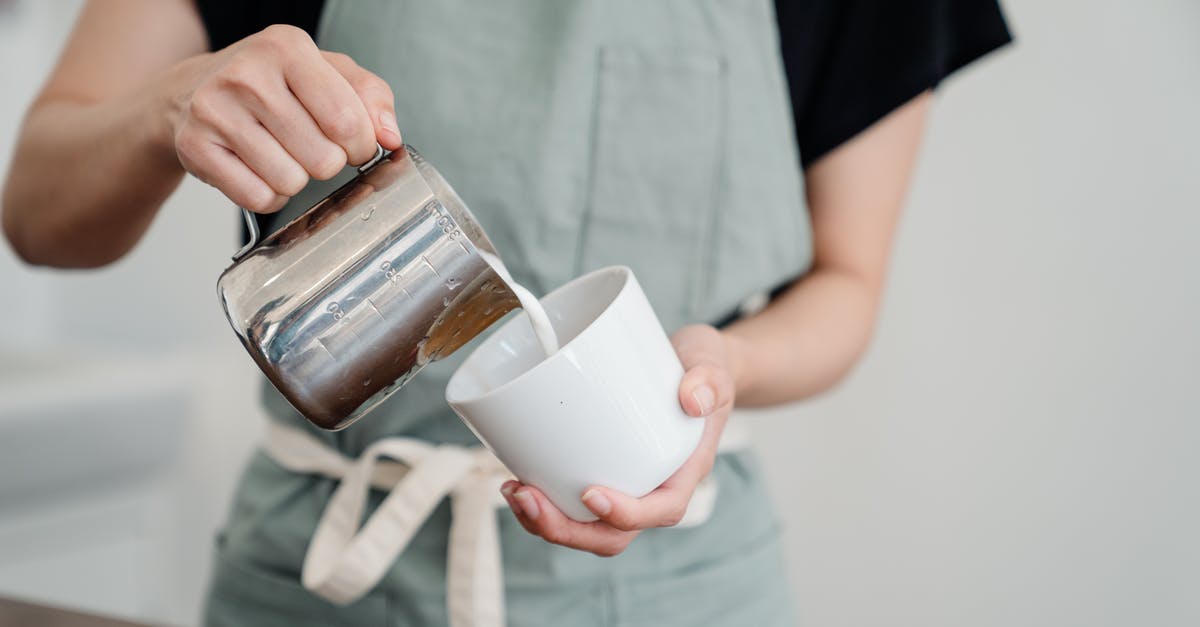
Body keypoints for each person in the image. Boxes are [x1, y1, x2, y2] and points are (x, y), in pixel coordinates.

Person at [1, 0, 1011, 624]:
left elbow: (848, 284)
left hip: (682, 591)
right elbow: (39, 220)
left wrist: (721, 369)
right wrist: (165, 107)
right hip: (319, 578)